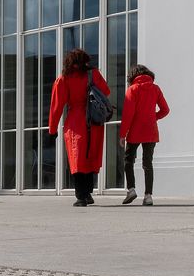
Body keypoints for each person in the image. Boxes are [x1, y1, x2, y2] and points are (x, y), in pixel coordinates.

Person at [49, 48, 111, 207]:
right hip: (93, 120)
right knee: (90, 157)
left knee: (77, 158)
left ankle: (81, 196)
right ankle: (88, 193)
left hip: (75, 122)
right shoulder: (93, 74)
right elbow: (106, 91)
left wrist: (52, 129)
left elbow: (56, 106)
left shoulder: (64, 78)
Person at [119, 64, 170, 207]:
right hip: (150, 130)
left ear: (133, 76)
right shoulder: (155, 88)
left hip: (135, 130)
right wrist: (153, 117)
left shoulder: (132, 89)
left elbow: (128, 114)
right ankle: (148, 196)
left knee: (128, 160)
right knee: (148, 163)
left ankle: (131, 190)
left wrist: (122, 134)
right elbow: (165, 110)